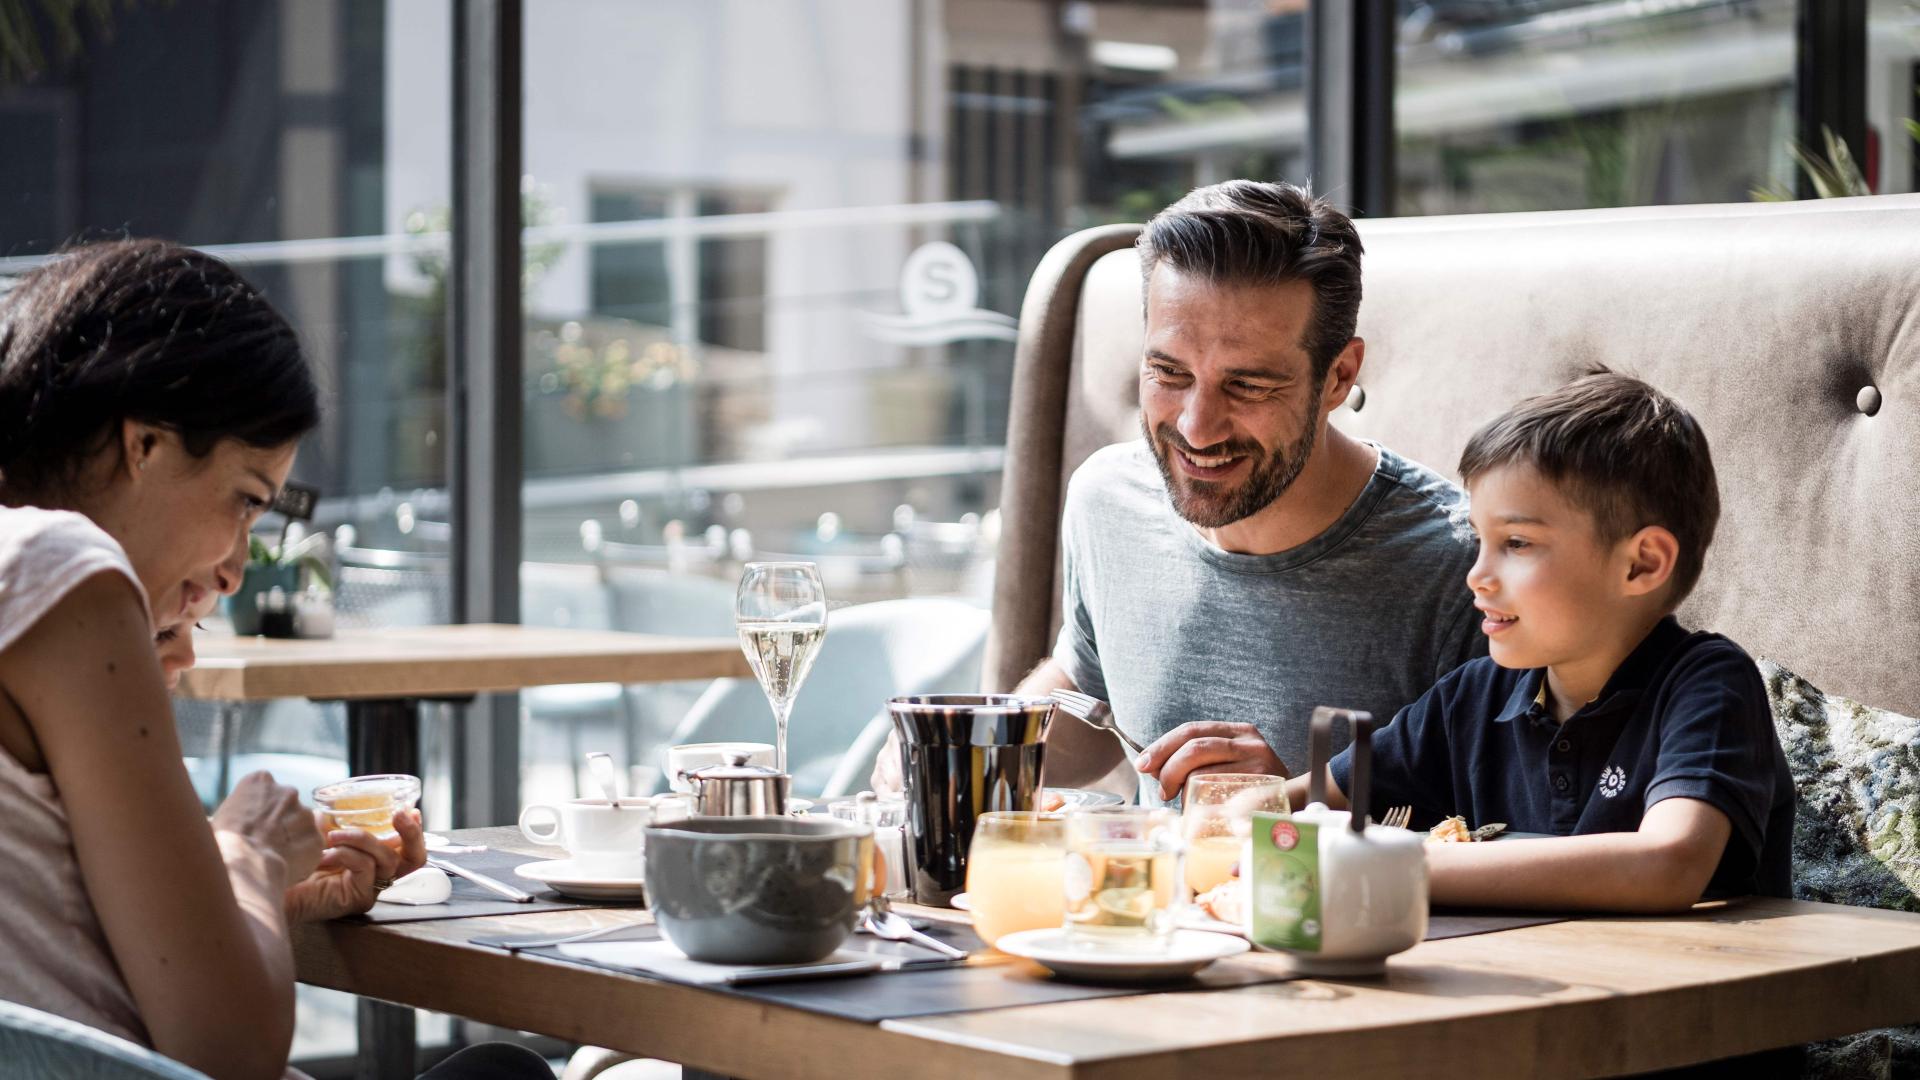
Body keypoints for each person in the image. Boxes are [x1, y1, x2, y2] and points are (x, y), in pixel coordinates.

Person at [0, 239, 543, 1080]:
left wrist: (244, 905)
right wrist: (246, 852)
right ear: (143, 443)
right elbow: (231, 1053)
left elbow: (44, 934)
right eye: (245, 500)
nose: (234, 568)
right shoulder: (58, 569)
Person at [874, 181, 1482, 803]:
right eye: (1169, 373)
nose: (1195, 427)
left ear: (1339, 377)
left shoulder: (1464, 567)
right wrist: (977, 743)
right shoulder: (1108, 499)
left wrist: (1296, 806)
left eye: (1247, 386)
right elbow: (1096, 696)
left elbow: (1496, 827)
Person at [1289, 371, 1794, 910]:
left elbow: (1668, 864)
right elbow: (1300, 800)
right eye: (1480, 541)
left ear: (1641, 564)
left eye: (1517, 543)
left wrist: (1390, 864)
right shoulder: (1475, 696)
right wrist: (1226, 814)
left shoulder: (1707, 684)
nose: (1477, 576)